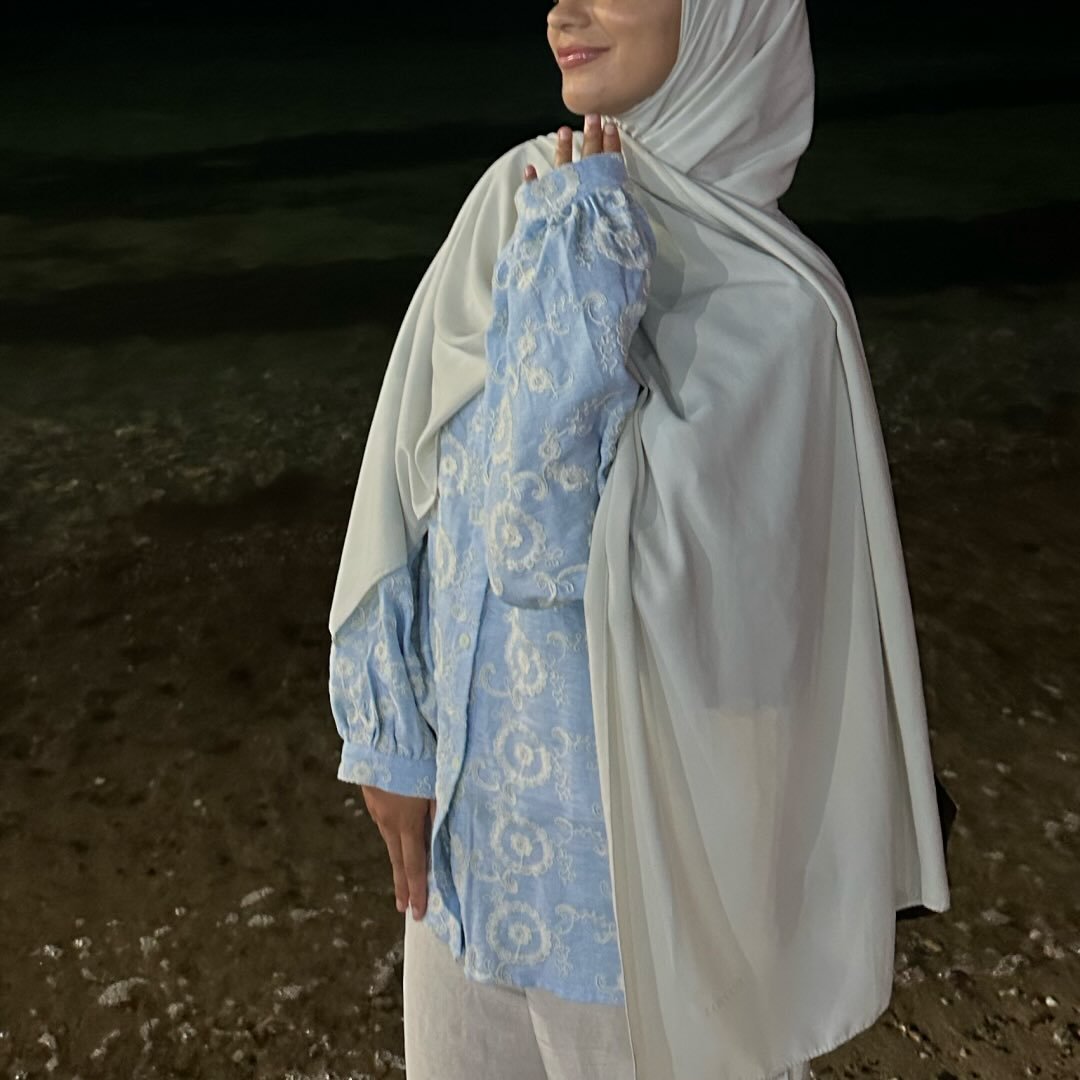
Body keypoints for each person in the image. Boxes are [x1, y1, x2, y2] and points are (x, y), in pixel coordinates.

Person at [327, 1, 953, 1078]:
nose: (562, 12)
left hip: (646, 906)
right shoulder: (517, 199)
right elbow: (405, 475)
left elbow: (540, 544)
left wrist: (589, 262)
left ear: (725, 19)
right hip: (466, 867)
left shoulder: (778, 307)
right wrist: (388, 737)